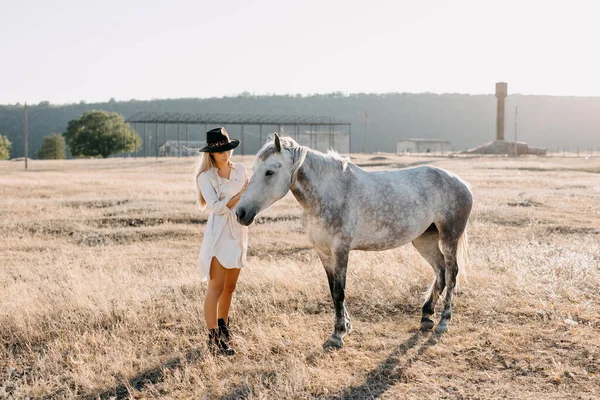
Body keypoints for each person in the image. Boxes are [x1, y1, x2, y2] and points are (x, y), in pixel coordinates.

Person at [194, 127, 249, 356]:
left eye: (228, 149)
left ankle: (225, 329)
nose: (226, 154)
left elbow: (251, 197)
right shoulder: (205, 177)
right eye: (221, 151)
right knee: (215, 287)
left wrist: (245, 196)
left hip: (239, 230)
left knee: (230, 287)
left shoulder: (241, 169)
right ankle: (213, 339)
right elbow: (216, 208)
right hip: (219, 234)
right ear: (211, 154)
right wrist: (239, 196)